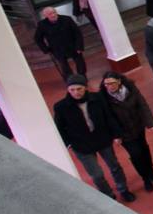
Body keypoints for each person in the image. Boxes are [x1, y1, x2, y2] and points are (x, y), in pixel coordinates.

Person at [53, 74, 134, 203]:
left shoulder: (97, 98)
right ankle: (108, 195)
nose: (76, 92)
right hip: (81, 145)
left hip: (102, 139)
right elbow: (60, 127)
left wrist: (116, 134)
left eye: (79, 89)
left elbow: (108, 117)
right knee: (97, 174)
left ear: (85, 88)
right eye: (72, 90)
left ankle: (123, 189)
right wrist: (68, 144)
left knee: (114, 166)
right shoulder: (61, 107)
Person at [100, 71, 153, 192]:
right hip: (123, 133)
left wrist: (150, 123)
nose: (108, 87)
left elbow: (142, 104)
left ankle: (150, 170)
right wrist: (115, 135)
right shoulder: (103, 97)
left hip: (137, 126)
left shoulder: (130, 89)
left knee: (144, 148)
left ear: (119, 81)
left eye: (111, 83)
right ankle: (145, 178)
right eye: (106, 84)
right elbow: (108, 118)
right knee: (135, 154)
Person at [33, 6, 85, 82]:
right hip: (57, 49)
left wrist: (79, 46)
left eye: (54, 12)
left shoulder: (67, 19)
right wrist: (46, 49)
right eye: (50, 14)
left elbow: (77, 33)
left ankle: (82, 78)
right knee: (64, 67)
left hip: (73, 46)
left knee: (80, 63)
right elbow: (37, 38)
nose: (53, 15)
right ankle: (70, 81)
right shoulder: (42, 24)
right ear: (45, 16)